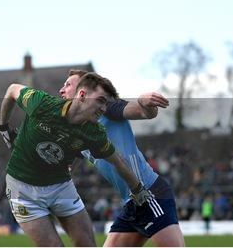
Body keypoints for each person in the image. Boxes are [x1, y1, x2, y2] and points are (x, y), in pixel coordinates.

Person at [0, 72, 153, 247]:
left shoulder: (94, 133)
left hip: (60, 187)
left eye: (107, 104)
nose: (104, 108)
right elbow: (12, 90)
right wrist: (3, 127)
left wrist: (139, 190)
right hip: (23, 191)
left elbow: (118, 162)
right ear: (82, 95)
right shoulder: (42, 103)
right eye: (101, 100)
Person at [59, 70, 184, 247]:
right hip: (131, 204)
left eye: (68, 84)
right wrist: (68, 166)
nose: (62, 90)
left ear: (83, 90)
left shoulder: (106, 107)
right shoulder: (78, 127)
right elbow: (79, 151)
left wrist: (143, 103)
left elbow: (142, 112)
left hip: (150, 195)